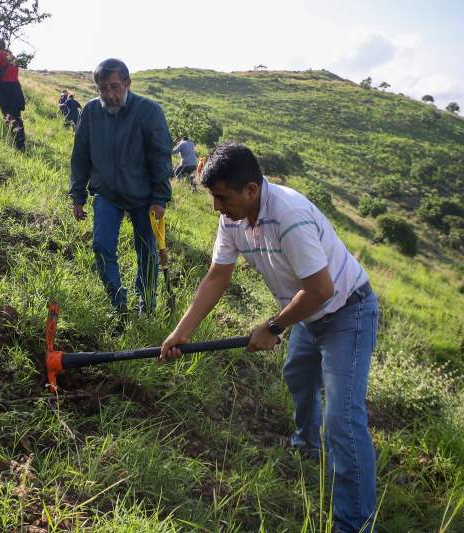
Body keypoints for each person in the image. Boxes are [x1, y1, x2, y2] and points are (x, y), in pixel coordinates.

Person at [159, 142, 378, 533]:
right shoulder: (233, 217)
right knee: (297, 374)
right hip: (310, 312)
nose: (216, 207)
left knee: (342, 419)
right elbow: (217, 275)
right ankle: (307, 446)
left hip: (348, 312)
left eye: (222, 197)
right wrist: (180, 333)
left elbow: (322, 289)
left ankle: (356, 523)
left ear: (251, 191)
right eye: (213, 197)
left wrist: (275, 327)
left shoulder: (289, 216)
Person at [70, 58, 173, 316]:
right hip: (106, 193)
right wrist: (78, 195)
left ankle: (146, 306)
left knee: (147, 252)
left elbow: (161, 156)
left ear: (127, 83)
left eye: (115, 87)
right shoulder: (92, 112)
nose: (110, 95)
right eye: (103, 88)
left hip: (144, 196)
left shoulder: (149, 111)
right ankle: (119, 305)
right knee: (102, 246)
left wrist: (160, 198)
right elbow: (80, 155)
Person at [0, 38, 26, 151]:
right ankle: (21, 142)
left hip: (5, 88)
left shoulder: (0, 54)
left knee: (7, 114)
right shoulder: (12, 56)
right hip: (16, 87)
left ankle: (15, 141)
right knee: (16, 115)